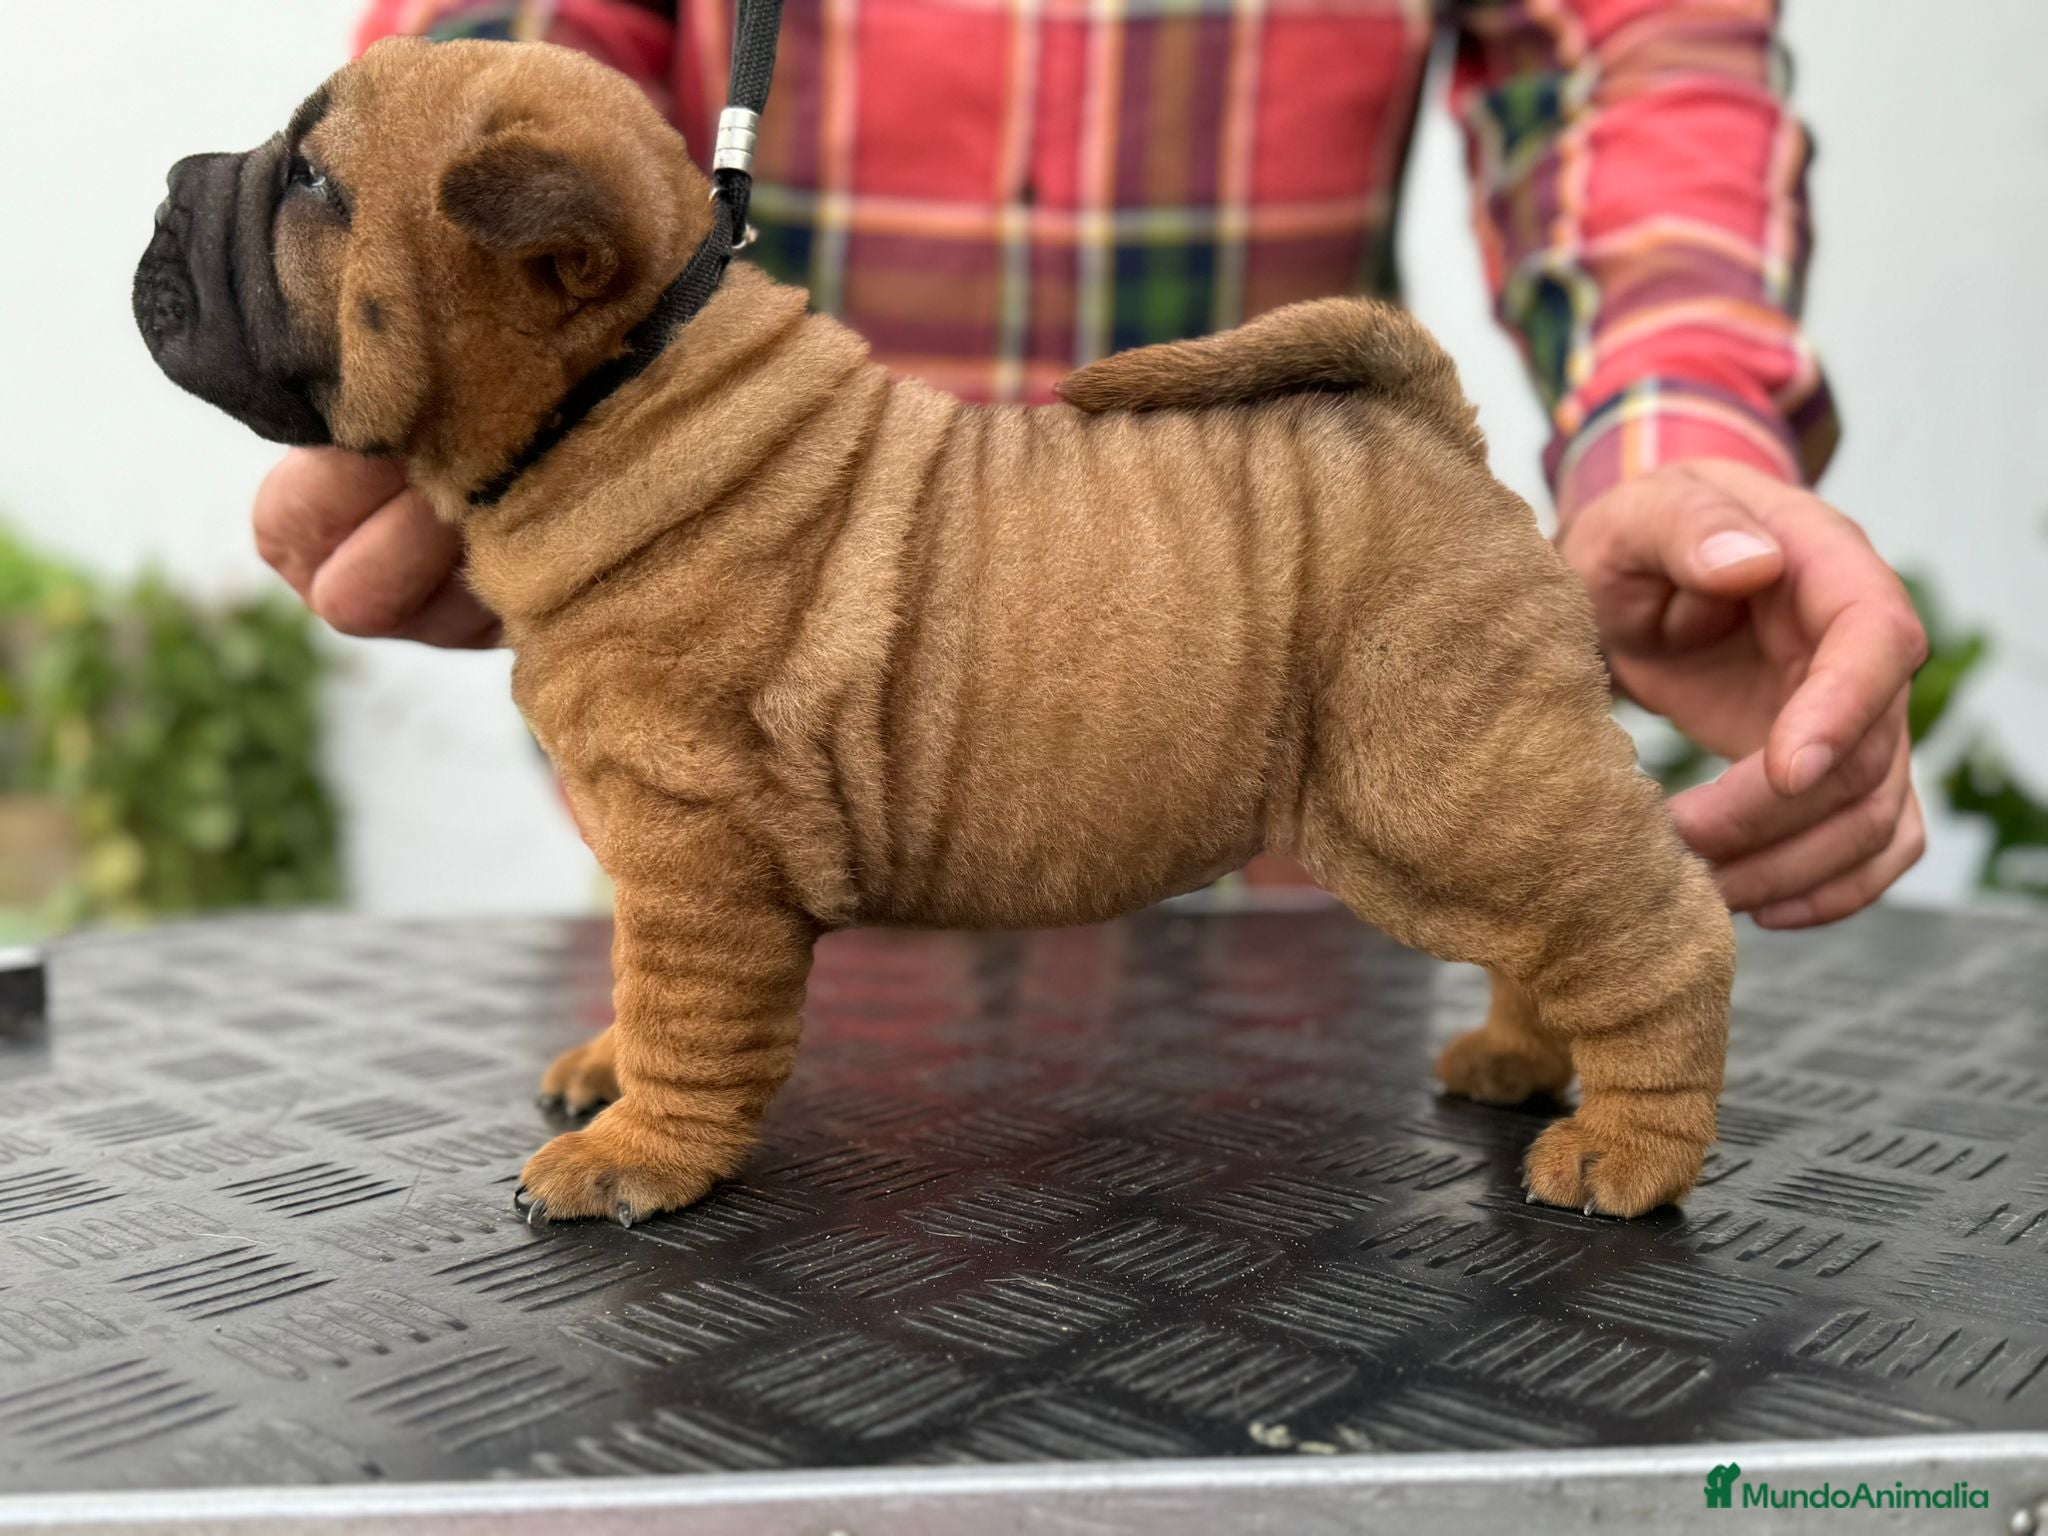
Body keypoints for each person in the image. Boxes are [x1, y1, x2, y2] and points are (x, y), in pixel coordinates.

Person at [255, 0, 1926, 929]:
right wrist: (486, 329)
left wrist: (1678, 429)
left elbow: (1621, 46)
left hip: (1289, 811)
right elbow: (524, 24)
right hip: (763, 796)